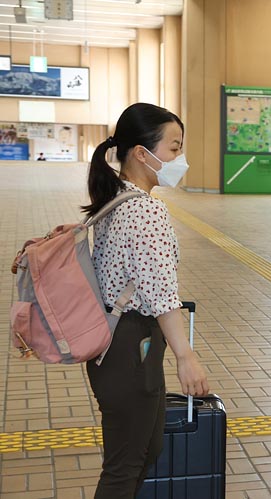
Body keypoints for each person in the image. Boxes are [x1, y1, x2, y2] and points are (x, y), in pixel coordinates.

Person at [82, 102, 210, 498]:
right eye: (173, 148)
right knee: (125, 466)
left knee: (143, 449)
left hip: (117, 343)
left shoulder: (115, 199)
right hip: (129, 344)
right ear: (142, 153)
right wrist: (186, 356)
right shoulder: (144, 210)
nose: (179, 158)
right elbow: (160, 294)